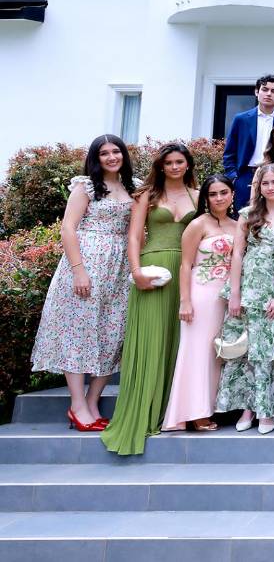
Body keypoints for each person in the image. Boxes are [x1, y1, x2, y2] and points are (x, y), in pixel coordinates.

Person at [32, 135, 135, 432]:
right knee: (78, 332)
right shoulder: (85, 186)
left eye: (116, 151)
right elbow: (68, 228)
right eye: (104, 153)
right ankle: (77, 405)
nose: (112, 157)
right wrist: (79, 271)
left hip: (118, 269)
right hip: (86, 263)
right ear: (95, 158)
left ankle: (92, 402)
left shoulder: (134, 186)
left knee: (112, 333)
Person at [100, 143, 197, 455]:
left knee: (180, 342)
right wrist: (136, 271)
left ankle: (175, 412)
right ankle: (144, 409)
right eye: (169, 162)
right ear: (161, 166)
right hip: (153, 270)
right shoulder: (147, 195)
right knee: (151, 340)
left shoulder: (198, 195)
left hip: (189, 273)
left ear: (188, 164)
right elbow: (133, 235)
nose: (174, 167)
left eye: (179, 161)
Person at [214, 164, 274, 435]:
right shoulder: (248, 214)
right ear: (259, 187)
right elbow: (238, 253)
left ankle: (266, 409)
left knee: (270, 352)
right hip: (249, 287)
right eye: (265, 183)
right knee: (246, 351)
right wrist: (235, 293)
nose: (270, 187)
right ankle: (248, 408)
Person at [161, 175, 235, 433]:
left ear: (232, 194)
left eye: (223, 192)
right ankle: (193, 412)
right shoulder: (198, 224)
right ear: (206, 198)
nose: (219, 198)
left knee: (218, 353)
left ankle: (211, 407)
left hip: (226, 296)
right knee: (197, 351)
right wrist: (185, 301)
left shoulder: (239, 225)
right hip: (201, 293)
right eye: (213, 194)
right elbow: (185, 265)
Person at [223, 74, 274, 209]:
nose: (269, 94)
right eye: (265, 89)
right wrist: (234, 178)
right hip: (245, 175)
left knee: (271, 213)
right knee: (243, 214)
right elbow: (229, 152)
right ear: (256, 92)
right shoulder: (241, 119)